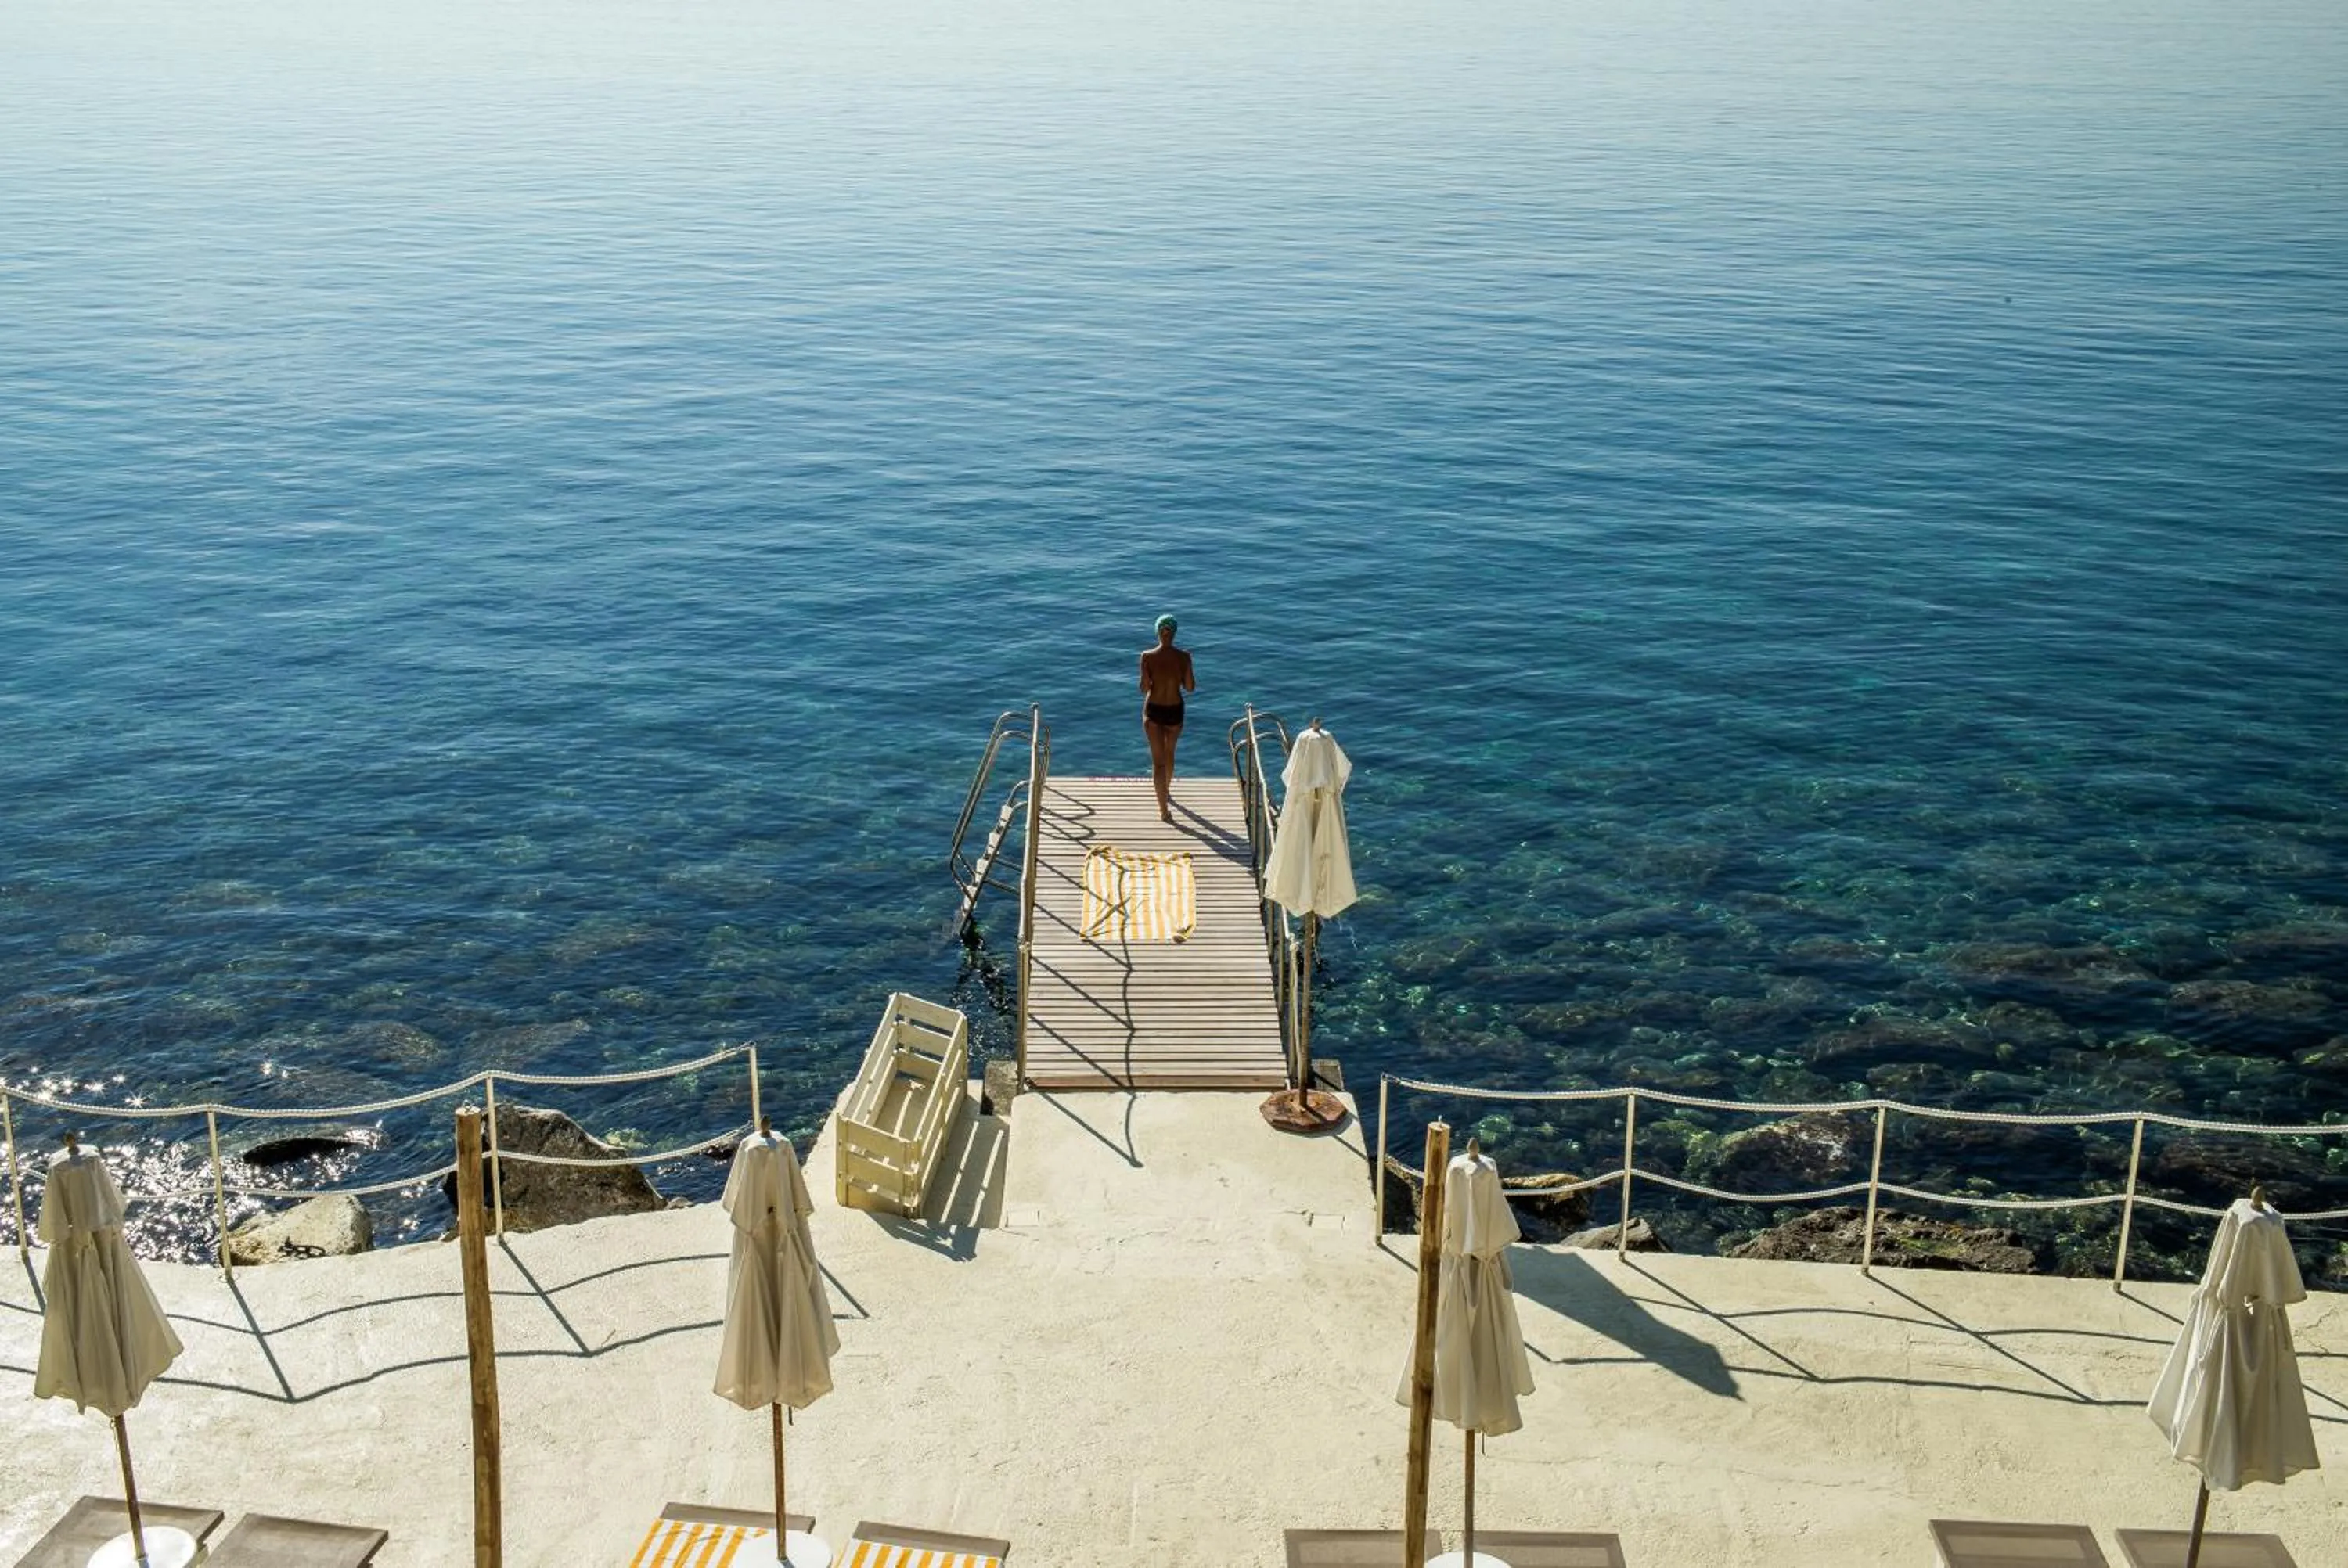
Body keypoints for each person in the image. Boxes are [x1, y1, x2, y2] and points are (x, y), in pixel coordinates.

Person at [1139, 613, 1196, 821]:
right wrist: (1187, 665)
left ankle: (1163, 810)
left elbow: (1144, 688)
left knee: (1158, 763)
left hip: (1154, 710)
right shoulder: (1183, 657)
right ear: (1174, 633)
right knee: (1170, 753)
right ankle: (1166, 791)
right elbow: (1189, 687)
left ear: (1157, 632)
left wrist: (1150, 674)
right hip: (1175, 710)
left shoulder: (1147, 656)